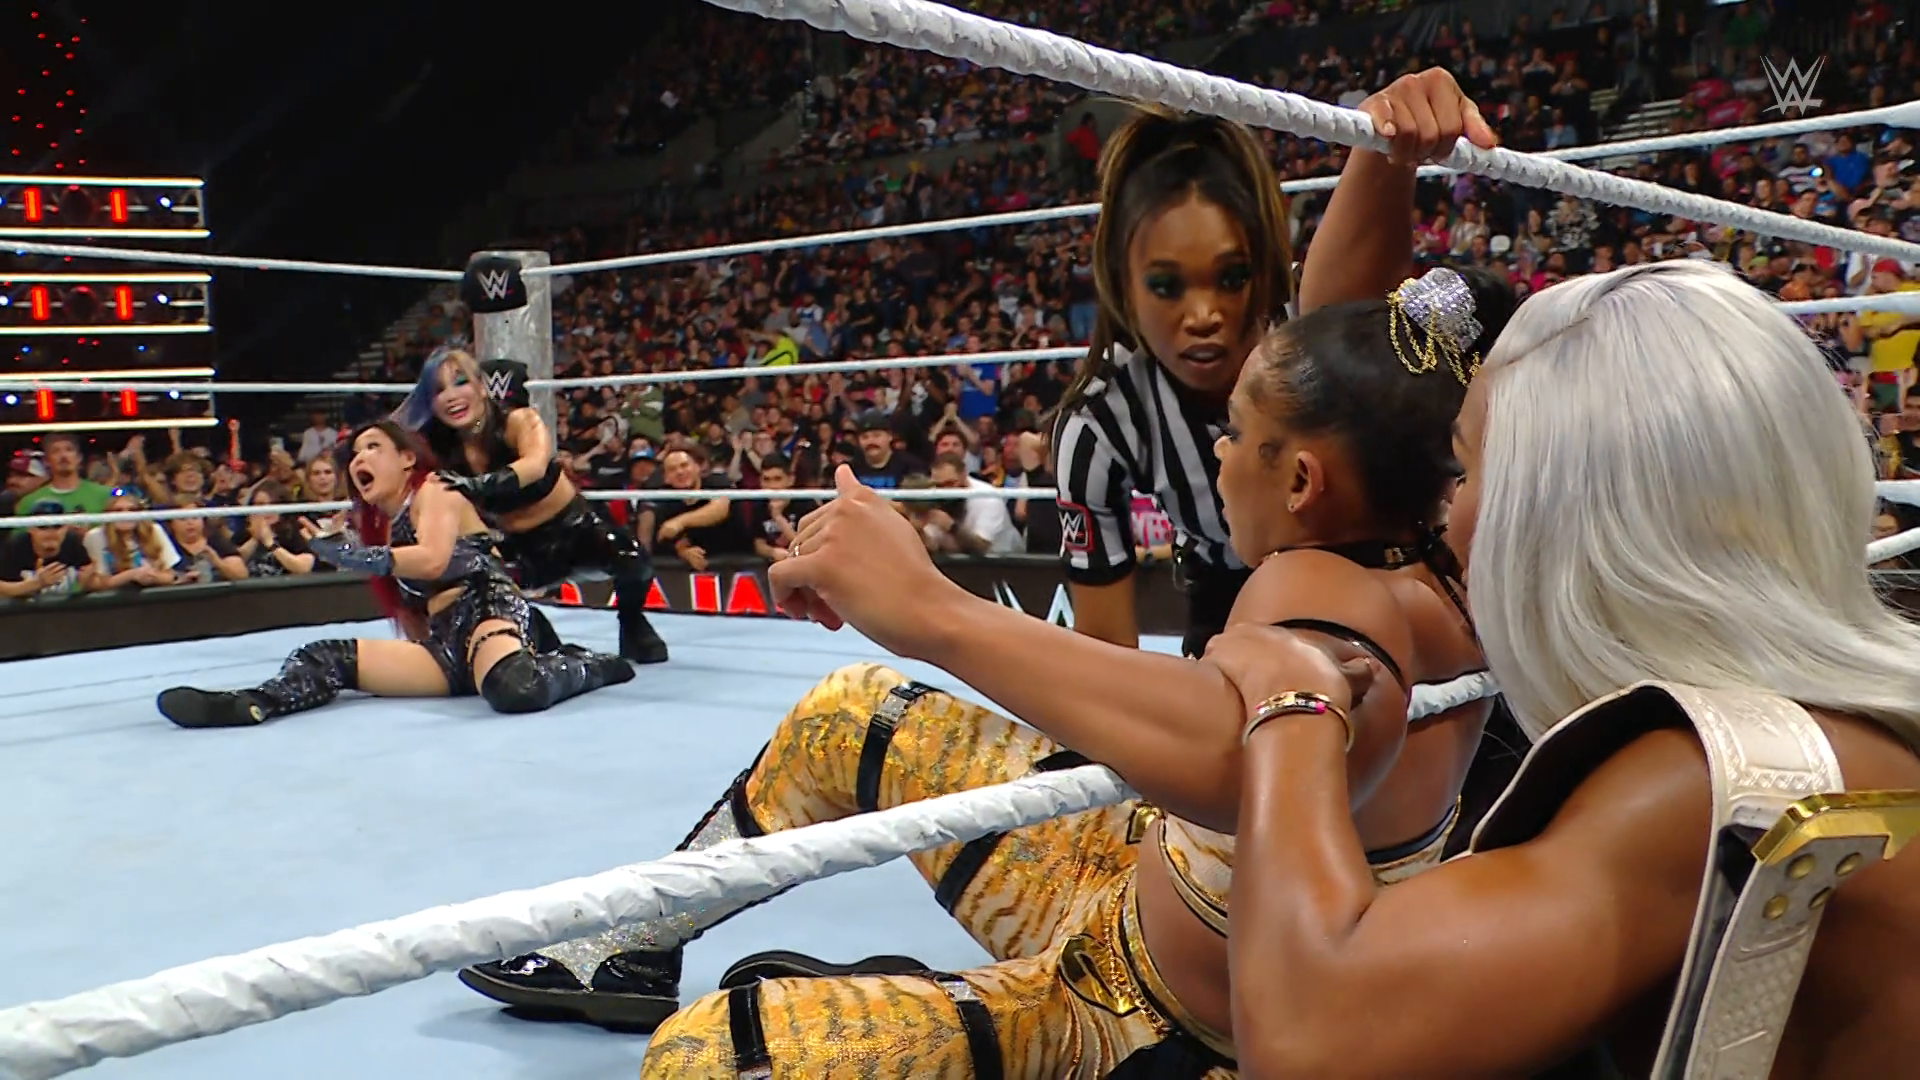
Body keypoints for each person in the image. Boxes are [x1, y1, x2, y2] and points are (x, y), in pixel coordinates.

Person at [461, 266, 1507, 1078]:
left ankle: (934, 1017)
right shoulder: (1453, 551)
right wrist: (1387, 161)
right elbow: (1379, 361)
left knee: (711, 1059)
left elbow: (1254, 746)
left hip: (1146, 1026)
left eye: (1238, 432)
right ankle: (628, 950)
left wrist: (931, 611)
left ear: (1305, 479)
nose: (1220, 452)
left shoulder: (1327, 598)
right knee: (851, 715)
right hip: (1132, 876)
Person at [1203, 260, 1920, 1078]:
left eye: (1468, 472)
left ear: (1560, 509)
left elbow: (1313, 1039)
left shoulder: (1710, 780)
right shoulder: (1841, 717)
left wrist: (1293, 706)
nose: (1452, 518)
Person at [1051, 71, 1498, 657]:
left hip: (1377, 571)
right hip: (1222, 594)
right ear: (1121, 284)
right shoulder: (1100, 423)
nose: (1203, 316)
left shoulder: (1316, 328)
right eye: (1166, 286)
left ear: (1261, 268)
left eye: (1231, 277)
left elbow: (1355, 306)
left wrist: (1387, 142)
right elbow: (1106, 654)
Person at [154, 421, 635, 728]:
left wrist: (364, 557)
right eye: (354, 455)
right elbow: (416, 607)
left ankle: (587, 664)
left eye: (373, 447)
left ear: (407, 457)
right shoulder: (383, 525)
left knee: (515, 689)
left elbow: (434, 559)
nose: (359, 460)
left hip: (489, 614)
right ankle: (251, 703)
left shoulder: (436, 490)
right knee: (324, 656)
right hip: (446, 644)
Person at [394, 349, 669, 664]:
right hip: (516, 546)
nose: (452, 396)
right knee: (471, 586)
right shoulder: (436, 445)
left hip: (575, 530)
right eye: (439, 390)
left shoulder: (518, 420)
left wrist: (478, 485)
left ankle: (632, 623)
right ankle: (533, 635)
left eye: (460, 382)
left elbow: (534, 464)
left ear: (481, 387)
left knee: (632, 558)